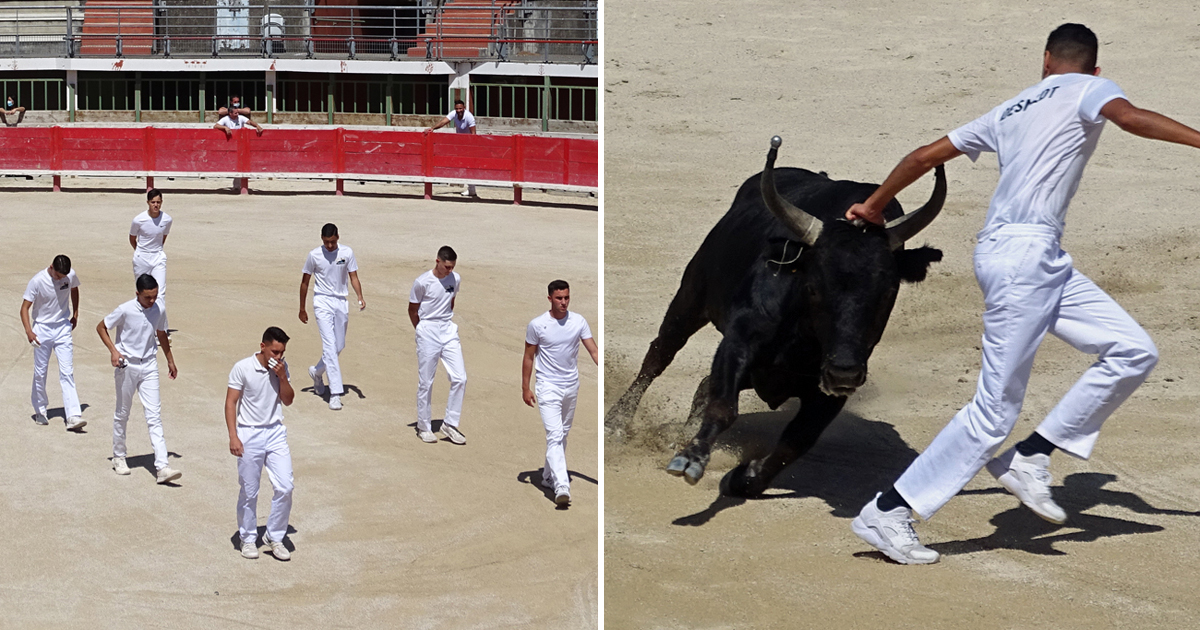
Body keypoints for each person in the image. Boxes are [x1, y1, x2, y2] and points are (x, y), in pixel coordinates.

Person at [845, 23, 1200, 565]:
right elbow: (1130, 119)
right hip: (1023, 261)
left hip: (1030, 258)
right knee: (993, 413)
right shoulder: (1091, 88)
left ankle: (1031, 456)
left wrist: (874, 205)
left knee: (1132, 350)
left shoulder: (1009, 108)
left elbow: (923, 156)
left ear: (1046, 62)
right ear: (1094, 68)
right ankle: (890, 511)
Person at [97, 274, 182, 484]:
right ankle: (119, 456)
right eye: (147, 297)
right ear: (137, 294)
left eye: (154, 296)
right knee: (123, 413)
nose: (152, 301)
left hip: (150, 365)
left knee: (154, 415)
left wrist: (170, 360)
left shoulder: (158, 308)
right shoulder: (125, 309)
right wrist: (113, 351)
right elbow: (101, 327)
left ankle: (162, 466)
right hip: (127, 366)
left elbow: (161, 333)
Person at [522, 280, 598, 507]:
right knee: (554, 435)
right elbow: (528, 357)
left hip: (571, 386)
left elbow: (593, 350)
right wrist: (525, 387)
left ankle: (547, 477)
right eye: (559, 298)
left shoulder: (578, 321)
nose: (563, 302)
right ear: (549, 299)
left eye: (566, 298)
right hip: (547, 386)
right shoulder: (537, 325)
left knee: (562, 433)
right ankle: (561, 485)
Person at [226, 327, 295, 561]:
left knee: (285, 486)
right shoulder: (242, 367)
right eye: (274, 351)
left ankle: (274, 536)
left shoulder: (282, 369)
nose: (278, 357)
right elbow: (230, 402)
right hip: (249, 433)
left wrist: (283, 376)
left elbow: (288, 399)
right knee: (249, 490)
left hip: (275, 432)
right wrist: (233, 436)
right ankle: (247, 538)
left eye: (282, 352)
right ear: (262, 346)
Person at [299, 223, 365, 411]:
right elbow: (305, 282)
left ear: (338, 237)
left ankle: (317, 372)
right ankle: (335, 393)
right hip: (322, 301)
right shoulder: (314, 255)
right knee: (329, 344)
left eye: (333, 242)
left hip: (341, 301)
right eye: (326, 242)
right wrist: (302, 308)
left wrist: (360, 296)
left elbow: (353, 277)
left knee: (338, 345)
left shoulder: (347, 253)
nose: (330, 246)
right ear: (322, 239)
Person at [408, 246, 467, 444]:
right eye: (446, 266)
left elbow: (451, 301)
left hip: (448, 329)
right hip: (428, 329)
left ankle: (449, 424)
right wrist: (421, 330)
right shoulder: (422, 282)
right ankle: (423, 426)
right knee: (426, 381)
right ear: (438, 261)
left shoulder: (455, 279)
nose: (449, 271)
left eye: (452, 267)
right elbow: (412, 309)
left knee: (460, 377)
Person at [20, 255, 85, 431]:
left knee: (67, 371)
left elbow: (74, 289)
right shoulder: (37, 281)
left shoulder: (69, 275)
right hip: (42, 329)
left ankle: (73, 415)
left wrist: (76, 313)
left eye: (63, 276)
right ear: (51, 268)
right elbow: (24, 308)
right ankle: (40, 410)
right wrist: (29, 331)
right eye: (58, 276)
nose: (61, 279)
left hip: (63, 328)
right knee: (40, 372)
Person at [130, 188, 171, 330]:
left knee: (159, 293)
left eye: (158, 202)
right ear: (148, 202)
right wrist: (141, 252)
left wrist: (156, 251)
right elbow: (132, 238)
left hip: (158, 256)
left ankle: (161, 329)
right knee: (143, 293)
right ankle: (142, 325)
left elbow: (162, 237)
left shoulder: (167, 219)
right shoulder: (138, 220)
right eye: (153, 202)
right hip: (142, 257)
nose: (156, 205)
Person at [425, 99, 478, 197]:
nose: (458, 110)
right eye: (457, 109)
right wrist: (432, 128)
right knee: (463, 164)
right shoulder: (454, 113)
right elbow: (443, 122)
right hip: (458, 142)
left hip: (468, 143)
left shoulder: (469, 117)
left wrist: (471, 146)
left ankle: (472, 189)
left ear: (464, 108)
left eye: (460, 108)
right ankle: (471, 189)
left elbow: (473, 133)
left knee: (469, 165)